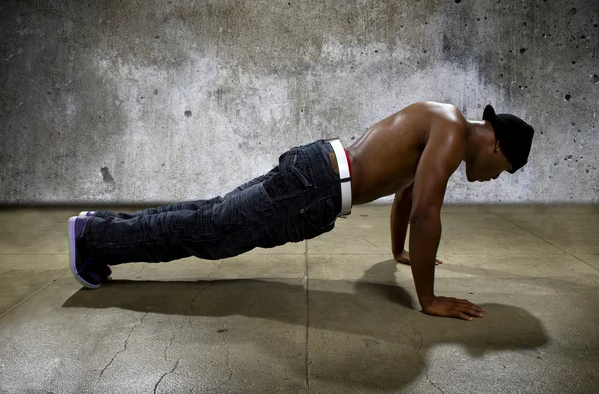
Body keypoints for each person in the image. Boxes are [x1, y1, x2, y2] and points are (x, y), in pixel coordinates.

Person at [68, 102, 534, 320]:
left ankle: (101, 229)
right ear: (495, 144)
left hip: (319, 180)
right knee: (213, 230)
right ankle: (94, 236)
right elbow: (426, 215)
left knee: (214, 220)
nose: (497, 177)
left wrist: (400, 252)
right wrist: (429, 300)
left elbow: (408, 195)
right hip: (317, 185)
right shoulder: (452, 133)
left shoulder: (444, 126)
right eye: (504, 168)